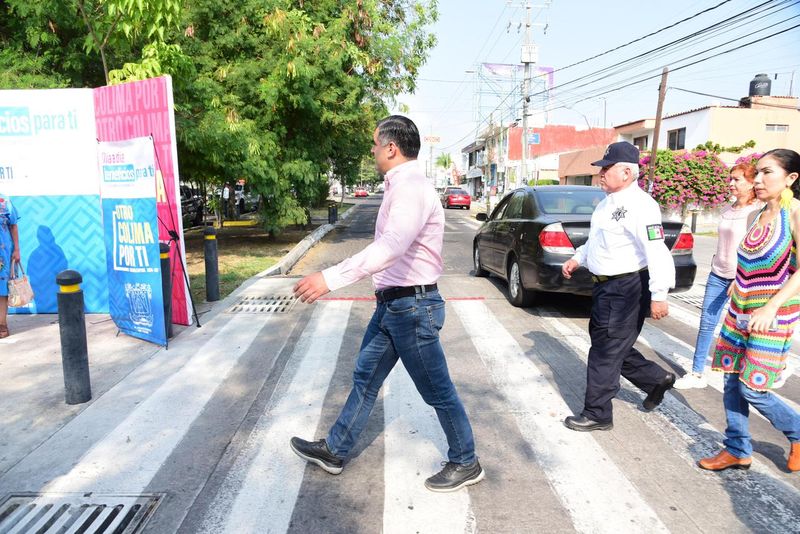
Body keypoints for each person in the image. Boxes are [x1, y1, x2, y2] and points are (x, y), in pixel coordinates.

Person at [290, 115, 484, 492]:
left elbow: (391, 247)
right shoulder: (400, 186)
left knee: (437, 390)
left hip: (413, 309)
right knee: (365, 377)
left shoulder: (411, 187)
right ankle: (335, 448)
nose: (373, 150)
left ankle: (466, 461)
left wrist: (329, 278)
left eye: (376, 144)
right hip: (394, 306)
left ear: (391, 148)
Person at [561, 141, 676, 432]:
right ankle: (654, 379)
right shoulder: (604, 204)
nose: (600, 173)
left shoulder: (641, 206)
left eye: (606, 168)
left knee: (604, 351)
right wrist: (577, 258)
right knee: (611, 345)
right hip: (604, 288)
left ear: (626, 172)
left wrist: (659, 295)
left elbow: (656, 250)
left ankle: (597, 413)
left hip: (626, 287)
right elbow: (597, 241)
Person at [699, 149, 800, 473]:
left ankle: (796, 431)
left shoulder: (795, 213)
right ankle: (737, 449)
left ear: (791, 178)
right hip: (741, 310)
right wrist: (738, 285)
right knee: (730, 380)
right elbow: (751, 261)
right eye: (756, 173)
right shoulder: (755, 215)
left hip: (773, 315)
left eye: (767, 173)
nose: (757, 180)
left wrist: (771, 306)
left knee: (752, 386)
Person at [674, 163, 762, 389]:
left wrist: (741, 277)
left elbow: (757, 249)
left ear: (752, 183)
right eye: (730, 179)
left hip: (742, 279)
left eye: (737, 180)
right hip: (717, 273)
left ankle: (755, 370)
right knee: (706, 322)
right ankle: (696, 373)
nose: (731, 184)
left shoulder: (757, 211)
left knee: (744, 326)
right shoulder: (727, 208)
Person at [0, 193, 21, 339]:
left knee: (2, 291)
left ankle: (2, 325)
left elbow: (13, 225)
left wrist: (17, 249)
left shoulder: (4, 200)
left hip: (3, 253)